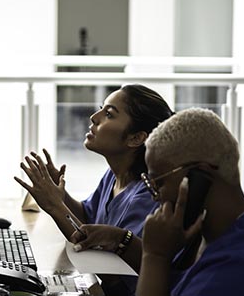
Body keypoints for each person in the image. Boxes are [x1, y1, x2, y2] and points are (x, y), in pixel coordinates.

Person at [15, 84, 173, 295]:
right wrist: (61, 196)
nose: (94, 117)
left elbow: (106, 266)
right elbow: (87, 217)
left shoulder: (146, 197)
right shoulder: (113, 176)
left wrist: (54, 206)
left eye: (109, 114)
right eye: (101, 109)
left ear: (135, 138)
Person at [137, 108, 244, 296]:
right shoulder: (216, 230)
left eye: (159, 182)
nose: (155, 196)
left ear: (199, 176)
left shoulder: (243, 267)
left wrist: (155, 257)